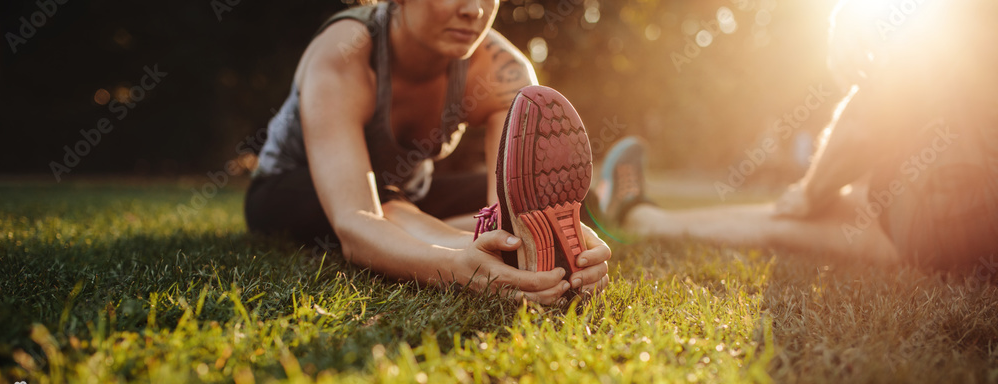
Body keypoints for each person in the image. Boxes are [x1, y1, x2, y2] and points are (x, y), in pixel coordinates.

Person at [244, 0, 611, 305]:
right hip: (290, 189)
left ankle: (429, 235)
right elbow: (355, 221)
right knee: (387, 203)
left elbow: (508, 214)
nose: (474, 10)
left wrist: (550, 240)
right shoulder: (346, 51)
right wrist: (456, 267)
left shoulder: (503, 70)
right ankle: (443, 239)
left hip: (410, 195)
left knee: (559, 201)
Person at [589, 0, 998, 272]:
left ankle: (641, 219)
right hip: (975, 243)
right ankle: (645, 218)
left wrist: (810, 192)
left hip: (947, 215)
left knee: (800, 212)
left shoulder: (941, 23)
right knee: (804, 216)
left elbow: (866, 121)